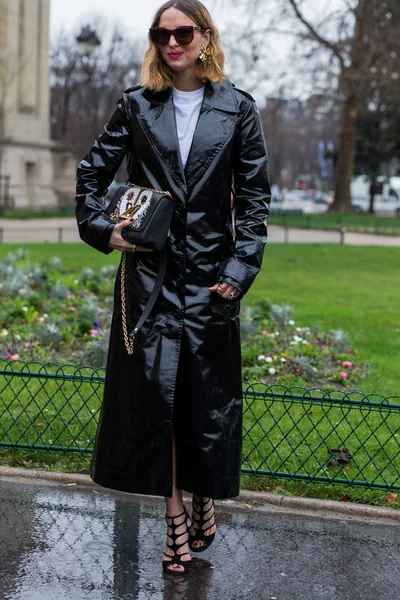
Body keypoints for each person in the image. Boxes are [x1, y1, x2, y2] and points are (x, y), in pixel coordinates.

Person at [75, 0, 271, 576]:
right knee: (159, 404)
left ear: (205, 36)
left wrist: (238, 274)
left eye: (183, 32)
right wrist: (104, 231)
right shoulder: (137, 106)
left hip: (211, 281)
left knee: (200, 401)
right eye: (162, 34)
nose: (173, 43)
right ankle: (175, 522)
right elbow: (92, 175)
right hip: (149, 281)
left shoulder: (238, 109)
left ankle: (205, 491)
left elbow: (256, 202)